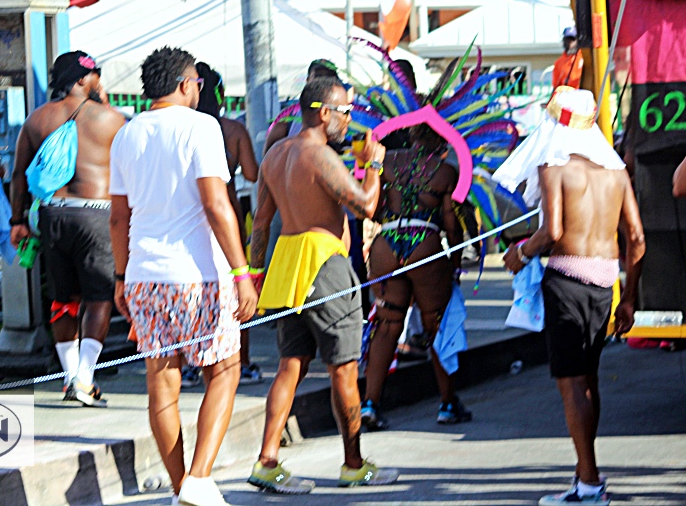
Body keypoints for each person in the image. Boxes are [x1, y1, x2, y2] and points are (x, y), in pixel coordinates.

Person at [109, 46, 258, 506]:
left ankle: (181, 489)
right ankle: (198, 478)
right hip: (197, 273)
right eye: (197, 82)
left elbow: (119, 217)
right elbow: (217, 204)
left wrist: (120, 277)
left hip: (143, 274)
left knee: (163, 380)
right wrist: (241, 271)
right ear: (182, 84)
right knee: (226, 369)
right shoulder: (201, 127)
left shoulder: (126, 135)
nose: (199, 89)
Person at [247, 76, 399, 494]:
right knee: (344, 367)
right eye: (345, 112)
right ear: (322, 112)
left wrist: (254, 274)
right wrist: (373, 164)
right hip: (323, 264)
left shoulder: (276, 154)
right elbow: (367, 205)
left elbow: (261, 223)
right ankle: (353, 464)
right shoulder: (320, 155)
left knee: (290, 365)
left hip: (287, 262)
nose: (350, 120)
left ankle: (266, 462)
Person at [495, 86, 644, 506]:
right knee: (589, 380)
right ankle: (586, 476)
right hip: (604, 284)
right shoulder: (615, 172)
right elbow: (636, 238)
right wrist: (629, 298)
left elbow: (552, 232)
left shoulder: (553, 165)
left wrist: (520, 254)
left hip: (567, 280)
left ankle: (589, 483)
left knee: (571, 384)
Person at [10, 51, 125, 407]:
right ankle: (85, 379)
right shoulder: (111, 119)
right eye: (94, 77)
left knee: (63, 298)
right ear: (80, 80)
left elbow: (17, 175)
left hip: (51, 215)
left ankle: (69, 376)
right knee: (98, 298)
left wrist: (17, 221)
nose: (98, 83)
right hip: (96, 216)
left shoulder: (37, 119)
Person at [360, 117, 471, 430]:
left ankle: (370, 403)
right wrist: (456, 262)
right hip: (425, 242)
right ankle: (448, 404)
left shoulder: (389, 160)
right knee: (435, 324)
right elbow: (451, 224)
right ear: (441, 138)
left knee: (386, 325)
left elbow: (375, 205)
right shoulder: (446, 171)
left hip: (386, 244)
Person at [191, 61, 263, 387]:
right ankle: (242, 361)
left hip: (190, 215)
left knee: (194, 288)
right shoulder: (232, 130)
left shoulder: (185, 127)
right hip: (230, 213)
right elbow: (252, 173)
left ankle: (191, 363)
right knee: (237, 287)